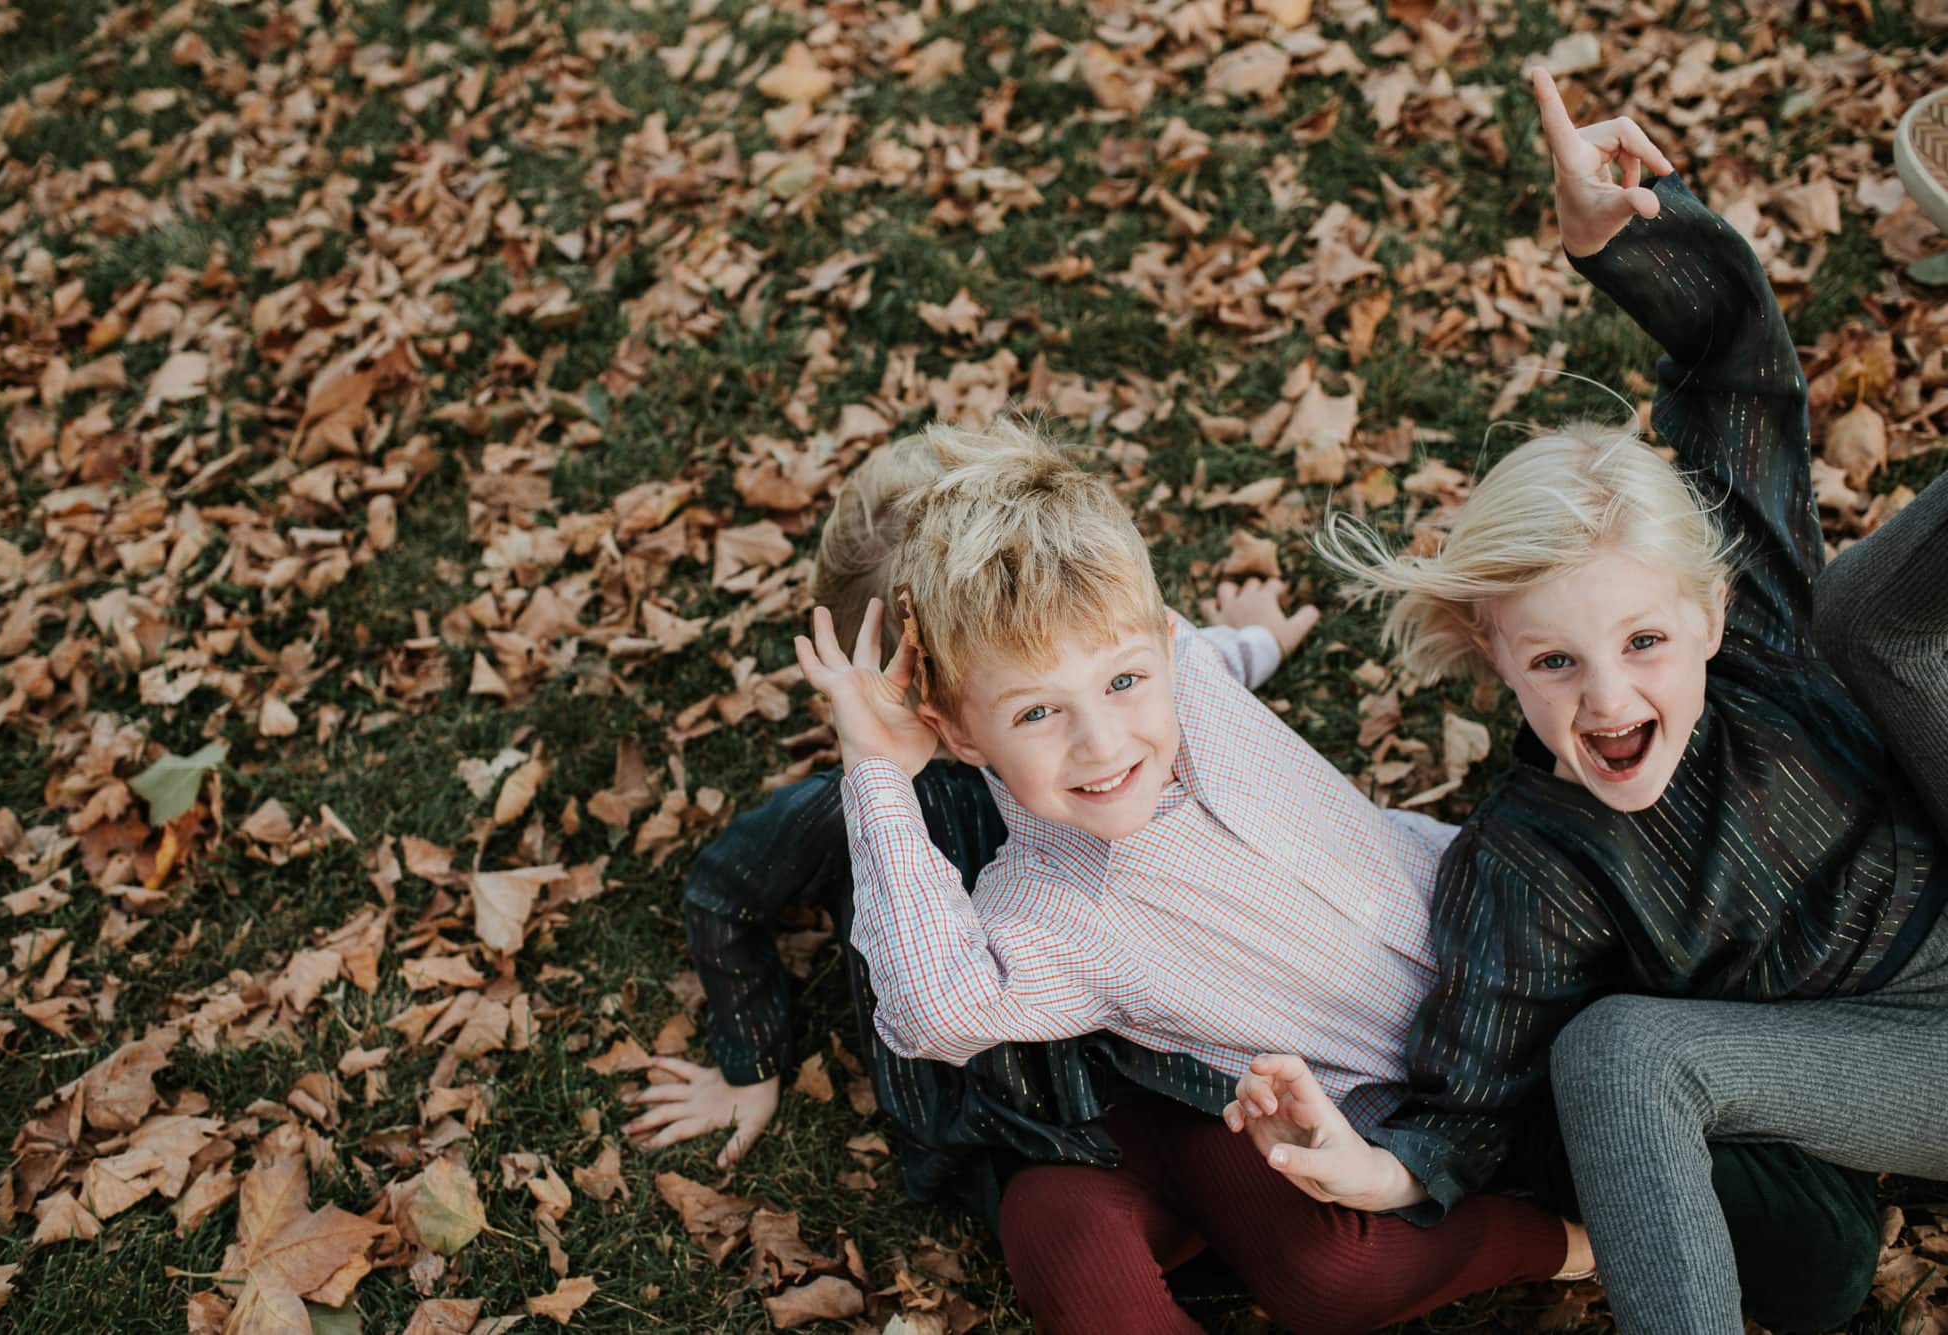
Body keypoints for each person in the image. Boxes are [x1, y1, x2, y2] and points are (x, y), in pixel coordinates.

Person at [1227, 71, 1938, 1334]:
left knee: (1871, 611)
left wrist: (1626, 231)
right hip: (1904, 1047)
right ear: (1492, 656)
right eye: (1552, 662)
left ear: (1708, 619)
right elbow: (1470, 1094)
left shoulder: (1759, 634)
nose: (1609, 697)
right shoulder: (1532, 859)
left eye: (1645, 641)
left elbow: (1738, 378)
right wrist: (1379, 1170)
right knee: (1610, 1050)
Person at [793, 419, 1588, 1334]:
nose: (1103, 742)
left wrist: (1254, 641)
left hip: (1499, 919)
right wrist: (878, 774)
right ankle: (1570, 1233)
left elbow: (1192, 652)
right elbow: (932, 1009)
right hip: (1424, 1111)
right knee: (1351, 1267)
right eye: (1039, 711)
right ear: (962, 737)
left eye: (1124, 683)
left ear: (1159, 646)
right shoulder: (1054, 909)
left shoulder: (1193, 686)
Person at [628, 432, 1315, 1255]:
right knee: (1065, 1202)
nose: (1088, 733)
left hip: (1165, 1034)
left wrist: (1256, 642)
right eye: (1027, 703)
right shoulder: (855, 808)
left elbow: (1169, 663)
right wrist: (752, 1063)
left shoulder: (1100, 708)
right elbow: (723, 886)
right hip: (994, 1096)